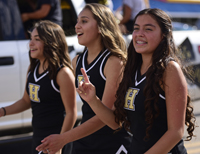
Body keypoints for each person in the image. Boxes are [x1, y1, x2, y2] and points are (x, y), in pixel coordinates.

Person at [75, 8, 196, 154]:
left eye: (148, 29)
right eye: (136, 28)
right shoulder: (132, 70)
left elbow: (176, 132)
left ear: (164, 35)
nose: (139, 34)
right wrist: (93, 99)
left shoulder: (169, 69)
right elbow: (116, 123)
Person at [36, 3, 131, 154]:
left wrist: (63, 138)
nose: (77, 26)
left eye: (84, 21)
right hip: (85, 139)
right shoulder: (77, 61)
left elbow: (105, 118)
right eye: (78, 21)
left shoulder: (114, 61)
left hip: (111, 142)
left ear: (101, 27)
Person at [0, 20, 76, 154]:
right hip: (38, 138)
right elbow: (26, 101)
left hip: (55, 139)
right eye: (31, 39)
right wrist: (3, 111)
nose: (30, 44)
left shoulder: (63, 73)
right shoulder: (32, 68)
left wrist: (60, 143)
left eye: (37, 39)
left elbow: (71, 113)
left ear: (50, 42)